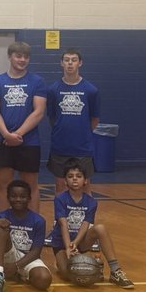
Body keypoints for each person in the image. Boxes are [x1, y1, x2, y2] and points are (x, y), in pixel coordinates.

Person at [52, 161, 134, 289]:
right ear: (65, 181)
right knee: (69, 275)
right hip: (61, 243)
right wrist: (69, 246)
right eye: (70, 176)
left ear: (85, 181)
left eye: (78, 176)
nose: (74, 179)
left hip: (80, 241)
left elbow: (85, 225)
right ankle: (81, 263)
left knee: (100, 228)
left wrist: (75, 244)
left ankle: (115, 271)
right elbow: (63, 224)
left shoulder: (91, 202)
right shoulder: (60, 199)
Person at [0, 41, 48, 213]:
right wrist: (7, 134)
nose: (22, 60)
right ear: (10, 57)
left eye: (26, 57)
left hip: (28, 142)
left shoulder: (37, 82)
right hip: (2, 142)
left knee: (31, 186)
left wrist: (18, 134)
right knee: (3, 185)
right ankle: (4, 226)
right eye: (18, 56)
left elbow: (39, 112)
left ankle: (34, 226)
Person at [0, 179, 51, 292]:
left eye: (22, 196)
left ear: (29, 199)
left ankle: (19, 274)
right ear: (8, 198)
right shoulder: (2, 216)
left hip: (28, 257)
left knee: (44, 280)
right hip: (8, 254)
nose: (18, 199)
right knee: (0, 228)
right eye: (14, 196)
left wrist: (16, 266)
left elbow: (36, 252)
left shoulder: (39, 220)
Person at [46, 48, 101, 193]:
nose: (70, 63)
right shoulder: (53, 90)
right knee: (60, 185)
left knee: (85, 184)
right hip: (60, 146)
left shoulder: (91, 90)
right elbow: (52, 118)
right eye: (67, 60)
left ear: (80, 63)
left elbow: (95, 119)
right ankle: (60, 216)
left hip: (83, 147)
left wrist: (83, 133)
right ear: (61, 63)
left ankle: (87, 216)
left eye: (74, 60)